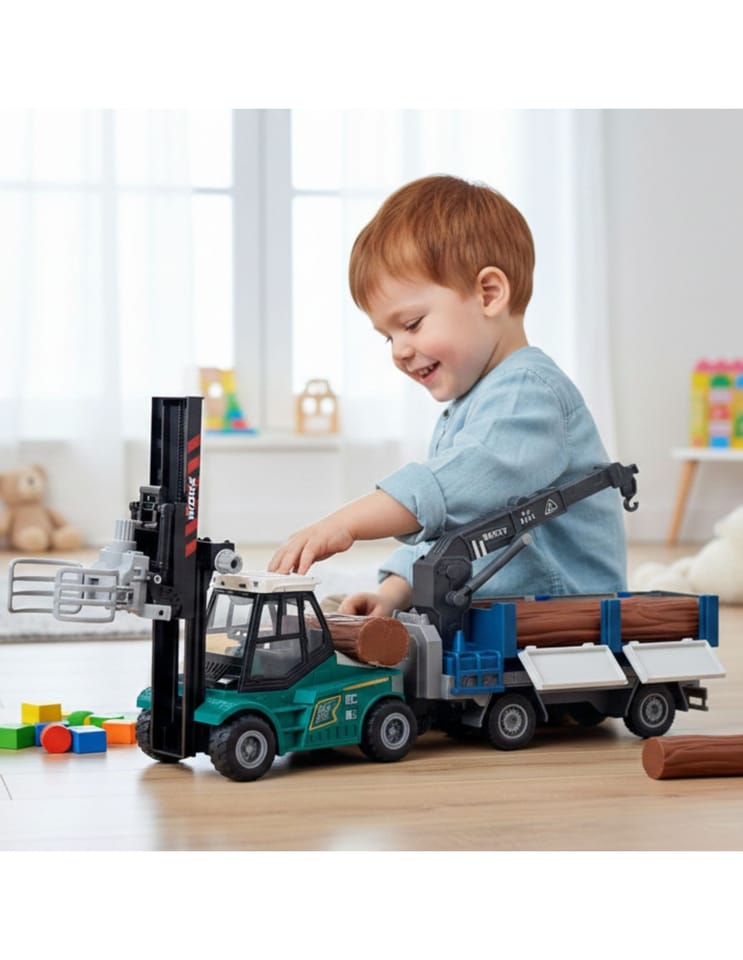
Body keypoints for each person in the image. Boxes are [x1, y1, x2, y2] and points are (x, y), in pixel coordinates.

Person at [269, 174, 627, 616]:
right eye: (388, 337)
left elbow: (448, 492)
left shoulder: (530, 394)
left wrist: (347, 523)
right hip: (505, 611)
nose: (399, 351)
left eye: (412, 324)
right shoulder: (473, 405)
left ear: (489, 294)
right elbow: (452, 532)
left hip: (564, 614)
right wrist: (393, 593)